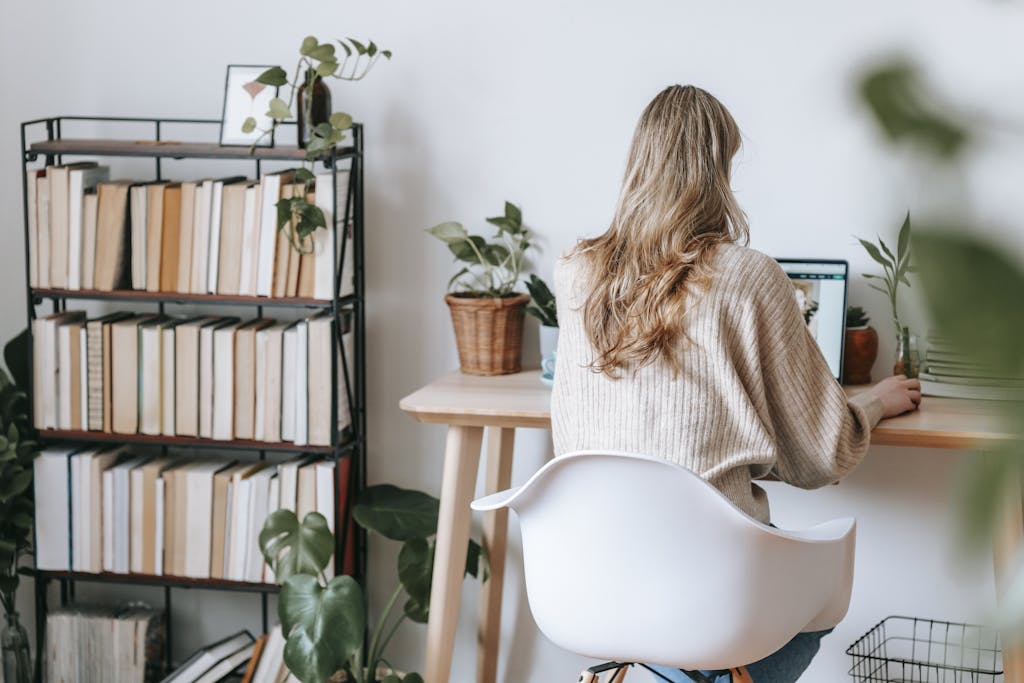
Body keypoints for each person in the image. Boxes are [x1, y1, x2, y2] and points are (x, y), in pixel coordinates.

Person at [549, 84, 921, 683]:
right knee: (824, 590)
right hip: (710, 591)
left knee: (682, 596)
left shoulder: (575, 276)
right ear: (718, 170)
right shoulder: (748, 276)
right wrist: (872, 403)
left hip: (597, 571)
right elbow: (824, 455)